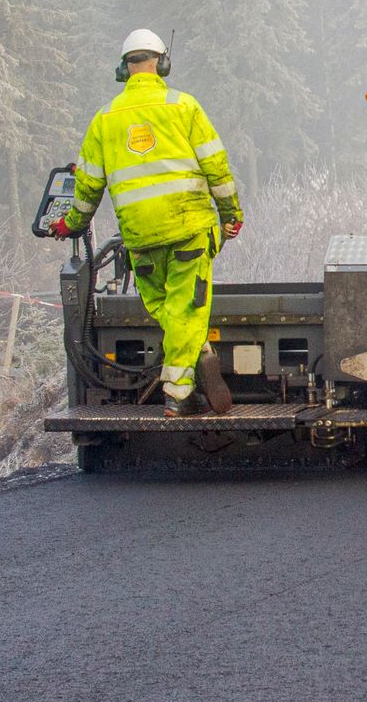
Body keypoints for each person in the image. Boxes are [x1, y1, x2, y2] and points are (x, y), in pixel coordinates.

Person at [51, 29, 245, 418]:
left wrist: (68, 223)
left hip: (140, 237)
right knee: (186, 309)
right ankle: (179, 391)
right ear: (163, 63)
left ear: (124, 69)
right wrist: (231, 215)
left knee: (165, 304)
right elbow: (216, 168)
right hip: (189, 227)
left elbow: (87, 186)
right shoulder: (184, 107)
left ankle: (193, 352)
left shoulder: (104, 120)